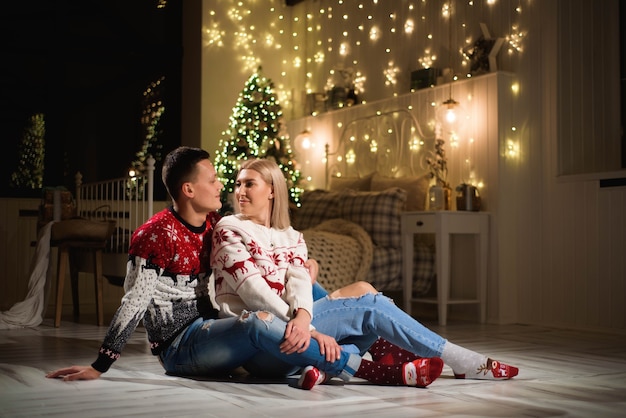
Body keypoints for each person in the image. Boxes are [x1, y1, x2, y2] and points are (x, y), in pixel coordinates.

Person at [44, 147, 393, 384]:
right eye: (212, 180)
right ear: (188, 189)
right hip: (180, 346)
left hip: (214, 327)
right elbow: (133, 302)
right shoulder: (154, 235)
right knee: (259, 322)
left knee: (308, 291)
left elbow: (255, 263)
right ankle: (361, 364)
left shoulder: (215, 225)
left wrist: (298, 265)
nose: (222, 185)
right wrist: (99, 365)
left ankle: (377, 350)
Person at [211, 158, 519, 390]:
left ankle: (323, 369)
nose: (239, 191)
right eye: (237, 184)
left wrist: (304, 316)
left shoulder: (292, 236)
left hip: (296, 339)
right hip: (264, 344)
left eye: (249, 183)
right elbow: (254, 293)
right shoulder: (229, 228)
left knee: (365, 291)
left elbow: (300, 285)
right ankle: (458, 359)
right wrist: (307, 325)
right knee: (371, 305)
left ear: (272, 191)